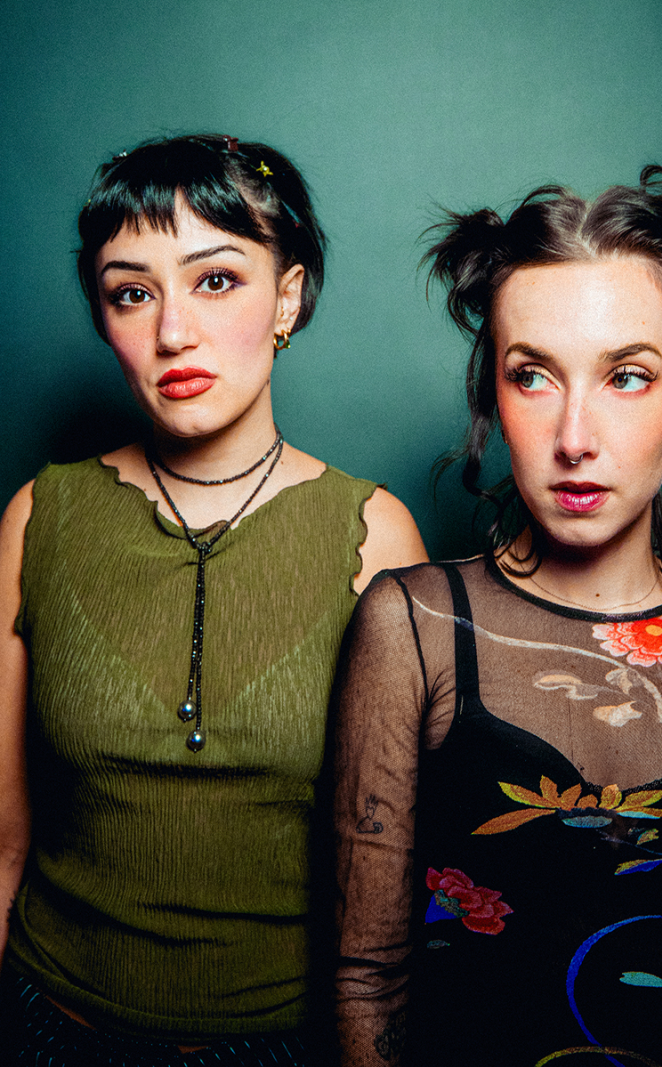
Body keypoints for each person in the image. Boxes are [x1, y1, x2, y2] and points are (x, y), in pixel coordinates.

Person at [334, 167, 662, 1066]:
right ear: (493, 396)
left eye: (627, 376)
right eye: (533, 376)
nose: (575, 436)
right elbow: (366, 978)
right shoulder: (414, 627)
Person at [0, 132, 427, 1066]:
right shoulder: (39, 516)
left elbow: (388, 883)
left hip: (280, 1042)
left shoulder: (377, 535)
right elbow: (0, 845)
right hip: (44, 1024)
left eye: (217, 280)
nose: (173, 333)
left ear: (289, 297)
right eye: (132, 292)